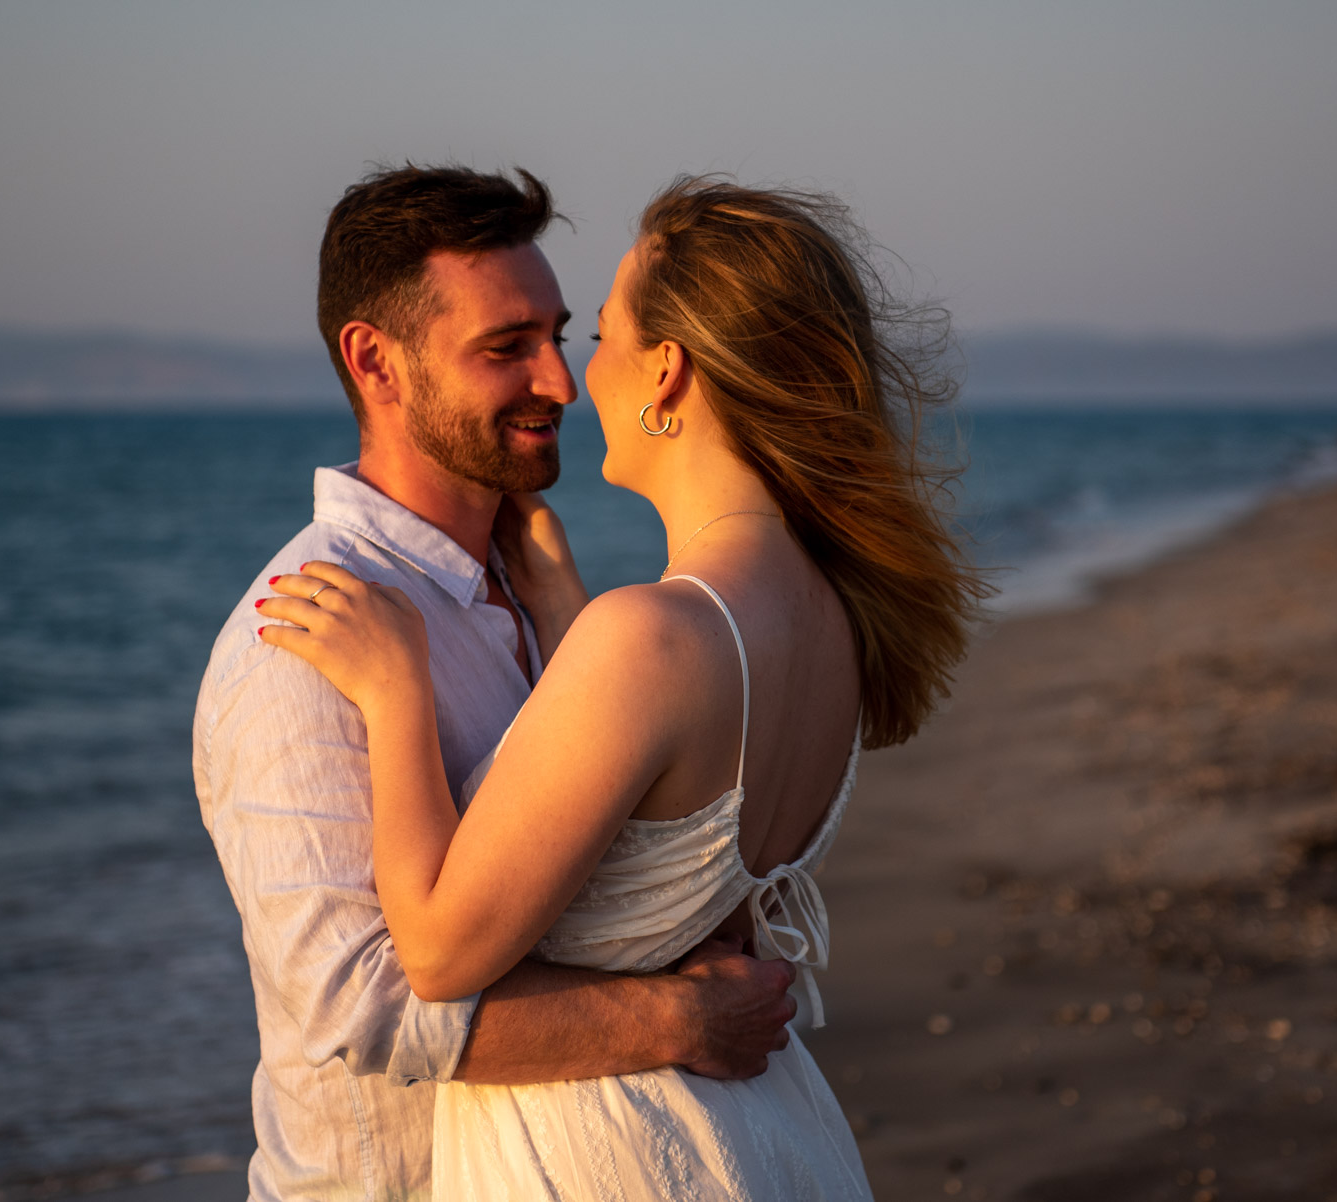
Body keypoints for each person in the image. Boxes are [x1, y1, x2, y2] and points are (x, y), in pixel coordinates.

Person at [259, 178, 986, 1198]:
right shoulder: (831, 617)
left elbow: (429, 951)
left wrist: (394, 687)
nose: (568, 379)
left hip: (617, 1153)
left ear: (668, 373)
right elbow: (670, 867)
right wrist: (565, 614)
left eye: (593, 336)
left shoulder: (649, 637)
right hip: (770, 1133)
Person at [192, 166, 802, 1202]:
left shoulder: (534, 590)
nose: (560, 383)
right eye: (505, 349)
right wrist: (680, 1019)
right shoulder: (300, 640)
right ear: (373, 362)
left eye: (558, 337)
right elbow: (358, 1005)